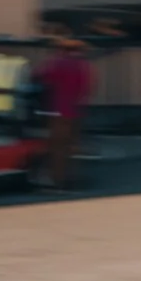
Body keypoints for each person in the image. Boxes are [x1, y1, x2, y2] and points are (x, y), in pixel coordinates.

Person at [33, 38, 93, 190]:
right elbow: (86, 88)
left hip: (58, 109)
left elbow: (40, 75)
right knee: (71, 146)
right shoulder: (84, 65)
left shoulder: (58, 62)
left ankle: (56, 179)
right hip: (76, 109)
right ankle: (70, 177)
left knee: (57, 146)